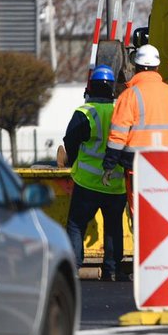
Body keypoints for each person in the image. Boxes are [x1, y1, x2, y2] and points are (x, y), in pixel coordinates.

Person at [63, 65, 129, 281]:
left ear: (91, 87)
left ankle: (73, 267)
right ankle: (112, 270)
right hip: (115, 184)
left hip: (87, 183)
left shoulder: (85, 112)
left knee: (76, 224)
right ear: (112, 88)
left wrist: (73, 162)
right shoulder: (121, 110)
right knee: (113, 227)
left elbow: (70, 141)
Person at [102, 44, 168, 191]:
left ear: (136, 66)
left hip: (137, 164)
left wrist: (109, 166)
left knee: (140, 211)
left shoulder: (129, 95)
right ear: (158, 67)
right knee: (163, 211)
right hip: (167, 162)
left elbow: (118, 136)